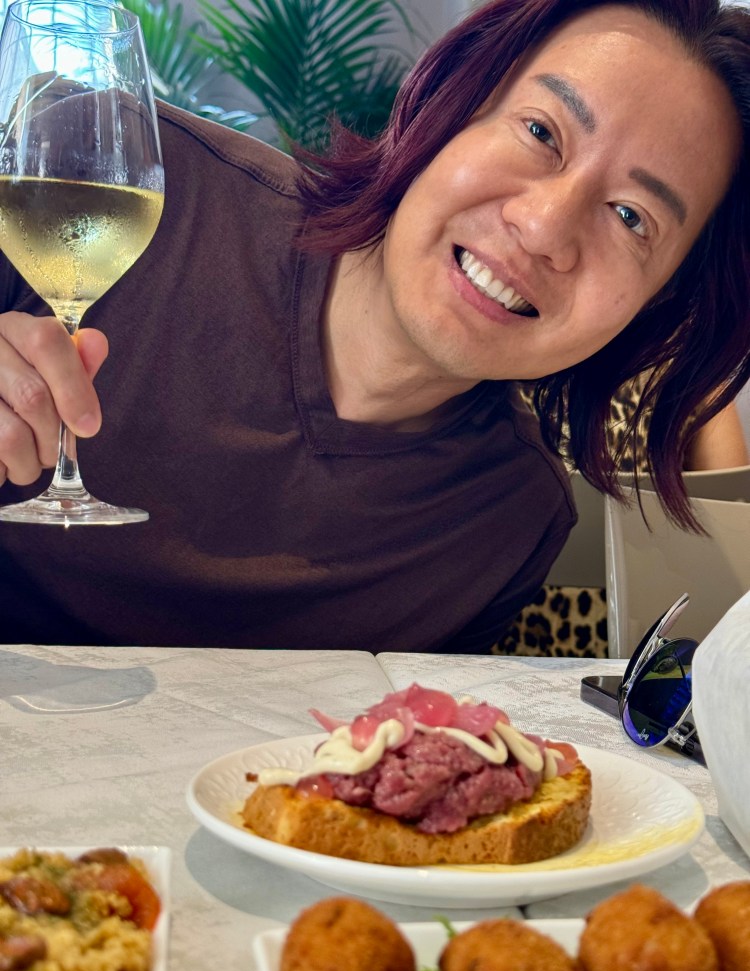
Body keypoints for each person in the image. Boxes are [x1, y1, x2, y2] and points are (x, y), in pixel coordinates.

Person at [0, 0, 748, 652]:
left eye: (631, 218)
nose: (545, 227)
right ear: (451, 107)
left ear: (658, 304)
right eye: (541, 132)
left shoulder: (506, 529)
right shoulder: (109, 175)